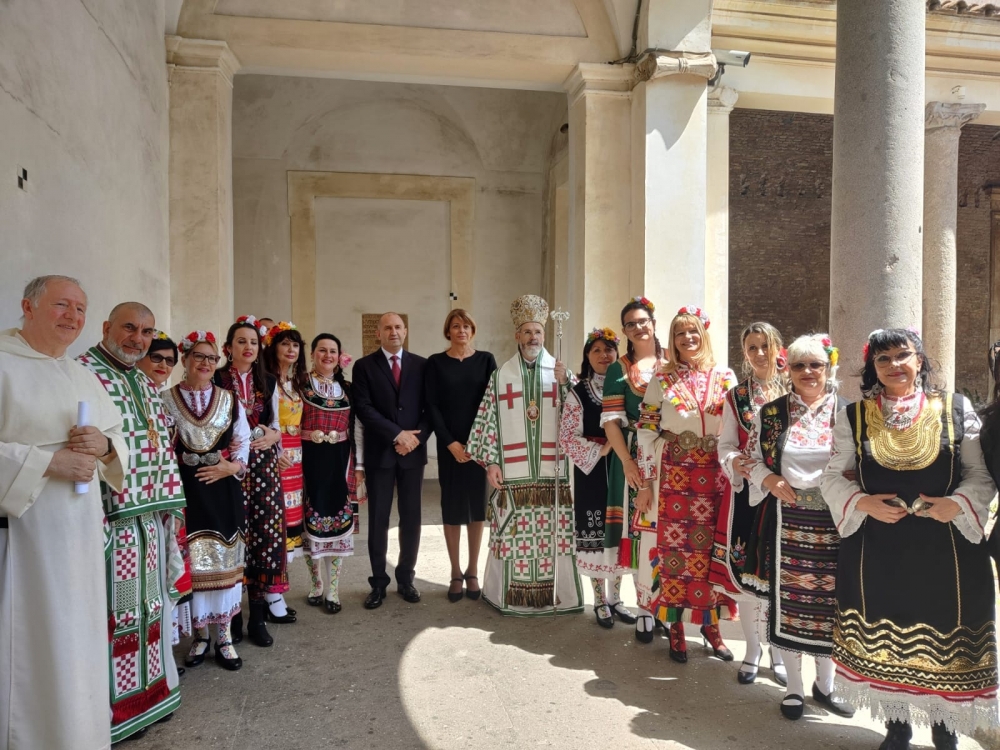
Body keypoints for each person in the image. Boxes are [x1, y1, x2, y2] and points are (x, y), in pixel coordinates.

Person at [823, 328, 998, 750]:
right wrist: (862, 503)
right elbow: (832, 476)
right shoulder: (854, 417)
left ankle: (945, 726)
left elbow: (979, 475)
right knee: (889, 633)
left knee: (947, 634)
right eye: (883, 360)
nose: (895, 366)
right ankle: (897, 724)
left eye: (903, 355)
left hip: (948, 548)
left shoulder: (955, 411)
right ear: (873, 369)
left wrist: (956, 504)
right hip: (879, 548)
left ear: (920, 360)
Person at [0, 275, 127, 750]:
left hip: (79, 535)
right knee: (32, 646)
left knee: (78, 644)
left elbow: (117, 441)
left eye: (80, 307)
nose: (73, 316)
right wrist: (48, 462)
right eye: (61, 305)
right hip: (25, 536)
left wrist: (106, 446)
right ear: (27, 307)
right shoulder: (4, 365)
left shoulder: (81, 374)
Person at [77, 303, 187, 742]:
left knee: (151, 608)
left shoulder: (142, 379)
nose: (137, 338)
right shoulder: (84, 373)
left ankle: (153, 693)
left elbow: (161, 449)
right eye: (128, 328)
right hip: (111, 522)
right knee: (117, 614)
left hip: (150, 521)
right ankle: (118, 709)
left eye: (146, 331)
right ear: (106, 328)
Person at [743, 334, 854, 721]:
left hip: (838, 520)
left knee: (832, 603)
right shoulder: (771, 414)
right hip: (787, 519)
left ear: (828, 368)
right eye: (799, 365)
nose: (808, 373)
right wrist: (768, 480)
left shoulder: (848, 412)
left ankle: (826, 686)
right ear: (787, 370)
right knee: (788, 602)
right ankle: (793, 685)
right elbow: (751, 459)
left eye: (816, 365)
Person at [467, 294, 583, 615]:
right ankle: (510, 597)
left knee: (552, 535)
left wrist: (568, 382)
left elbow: (580, 410)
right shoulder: (500, 375)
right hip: (513, 475)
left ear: (545, 335)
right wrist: (490, 461)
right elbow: (487, 420)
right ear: (517, 335)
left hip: (552, 476)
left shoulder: (559, 372)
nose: (533, 337)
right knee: (514, 534)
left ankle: (557, 597)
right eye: (527, 332)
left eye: (538, 332)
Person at [635, 306, 737, 663]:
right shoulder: (661, 380)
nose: (688, 339)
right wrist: (646, 481)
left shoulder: (725, 377)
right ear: (673, 341)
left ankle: (711, 625)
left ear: (704, 335)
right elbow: (645, 431)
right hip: (674, 472)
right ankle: (675, 625)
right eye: (680, 334)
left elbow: (740, 425)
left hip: (716, 476)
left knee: (711, 552)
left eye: (693, 332)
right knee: (675, 552)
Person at [162, 331, 251, 672]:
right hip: (187, 493)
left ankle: (225, 636)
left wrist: (231, 466)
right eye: (198, 356)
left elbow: (242, 439)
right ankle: (200, 636)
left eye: (211, 358)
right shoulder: (165, 399)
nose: (205, 363)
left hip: (224, 489)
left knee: (225, 564)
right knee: (194, 566)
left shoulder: (229, 400)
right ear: (184, 360)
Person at [712, 322, 787, 686]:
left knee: (780, 573)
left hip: (789, 495)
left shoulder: (795, 388)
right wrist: (733, 462)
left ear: (777, 348)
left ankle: (779, 648)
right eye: (752, 347)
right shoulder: (736, 396)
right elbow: (724, 444)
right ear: (744, 354)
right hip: (747, 496)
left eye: (765, 346)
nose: (759, 353)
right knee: (747, 574)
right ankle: (753, 649)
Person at [215, 316, 289, 646]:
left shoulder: (268, 381)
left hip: (263, 469)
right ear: (228, 348)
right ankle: (231, 619)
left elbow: (275, 425)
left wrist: (270, 434)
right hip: (228, 466)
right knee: (233, 538)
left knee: (263, 538)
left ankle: (258, 617)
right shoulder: (216, 378)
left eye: (253, 342)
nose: (248, 347)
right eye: (241, 342)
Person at [352, 312, 430, 609]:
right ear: (379, 334)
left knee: (412, 519)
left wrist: (415, 439)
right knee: (379, 521)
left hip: (413, 455)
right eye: (388, 327)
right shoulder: (363, 366)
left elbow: (430, 408)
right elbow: (363, 408)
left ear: (405, 331)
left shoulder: (422, 365)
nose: (393, 331)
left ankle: (406, 579)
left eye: (398, 327)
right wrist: (397, 434)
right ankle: (378, 583)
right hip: (380, 454)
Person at [559, 327, 633, 628]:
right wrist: (601, 449)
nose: (604, 355)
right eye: (597, 351)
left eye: (609, 350)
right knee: (595, 533)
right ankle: (599, 599)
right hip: (593, 468)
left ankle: (616, 597)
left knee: (619, 529)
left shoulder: (627, 385)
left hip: (623, 467)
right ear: (588, 357)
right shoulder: (579, 392)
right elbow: (567, 435)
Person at [602, 297, 665, 641]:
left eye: (643, 321)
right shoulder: (620, 368)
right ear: (625, 331)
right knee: (638, 527)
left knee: (669, 526)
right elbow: (611, 420)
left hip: (670, 455)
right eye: (631, 324)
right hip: (634, 454)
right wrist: (626, 461)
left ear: (653, 322)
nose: (639, 327)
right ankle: (642, 603)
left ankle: (665, 604)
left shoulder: (673, 360)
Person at [425, 309, 497, 602]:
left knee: (477, 510)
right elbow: (432, 406)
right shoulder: (435, 363)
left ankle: (472, 570)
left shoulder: (486, 360)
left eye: (466, 325)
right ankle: (455, 571)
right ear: (448, 331)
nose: (461, 330)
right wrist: (451, 443)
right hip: (450, 448)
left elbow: (493, 403)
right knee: (452, 509)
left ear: (473, 330)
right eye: (456, 326)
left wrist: (478, 444)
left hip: (479, 448)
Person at [138, 333, 193, 651]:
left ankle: (164, 649)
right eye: (156, 357)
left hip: (168, 490)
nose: (163, 365)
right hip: (142, 495)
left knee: (166, 561)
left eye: (169, 360)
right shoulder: (137, 393)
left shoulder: (159, 397)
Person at [300, 333, 361, 614]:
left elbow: (357, 429)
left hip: (340, 462)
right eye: (322, 350)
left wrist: (360, 468)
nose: (327, 355)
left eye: (332, 351)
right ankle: (316, 585)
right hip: (309, 462)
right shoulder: (299, 385)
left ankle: (334, 590)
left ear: (339, 356)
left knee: (338, 526)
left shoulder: (347, 388)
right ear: (312, 354)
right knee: (310, 524)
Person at [262, 322, 307, 621]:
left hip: (297, 459)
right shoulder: (265, 382)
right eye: (284, 344)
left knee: (291, 521)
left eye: (295, 345)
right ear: (273, 348)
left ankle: (276, 589)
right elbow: (260, 421)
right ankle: (269, 592)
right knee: (271, 521)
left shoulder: (297, 383)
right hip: (273, 456)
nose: (291, 350)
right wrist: (272, 452)